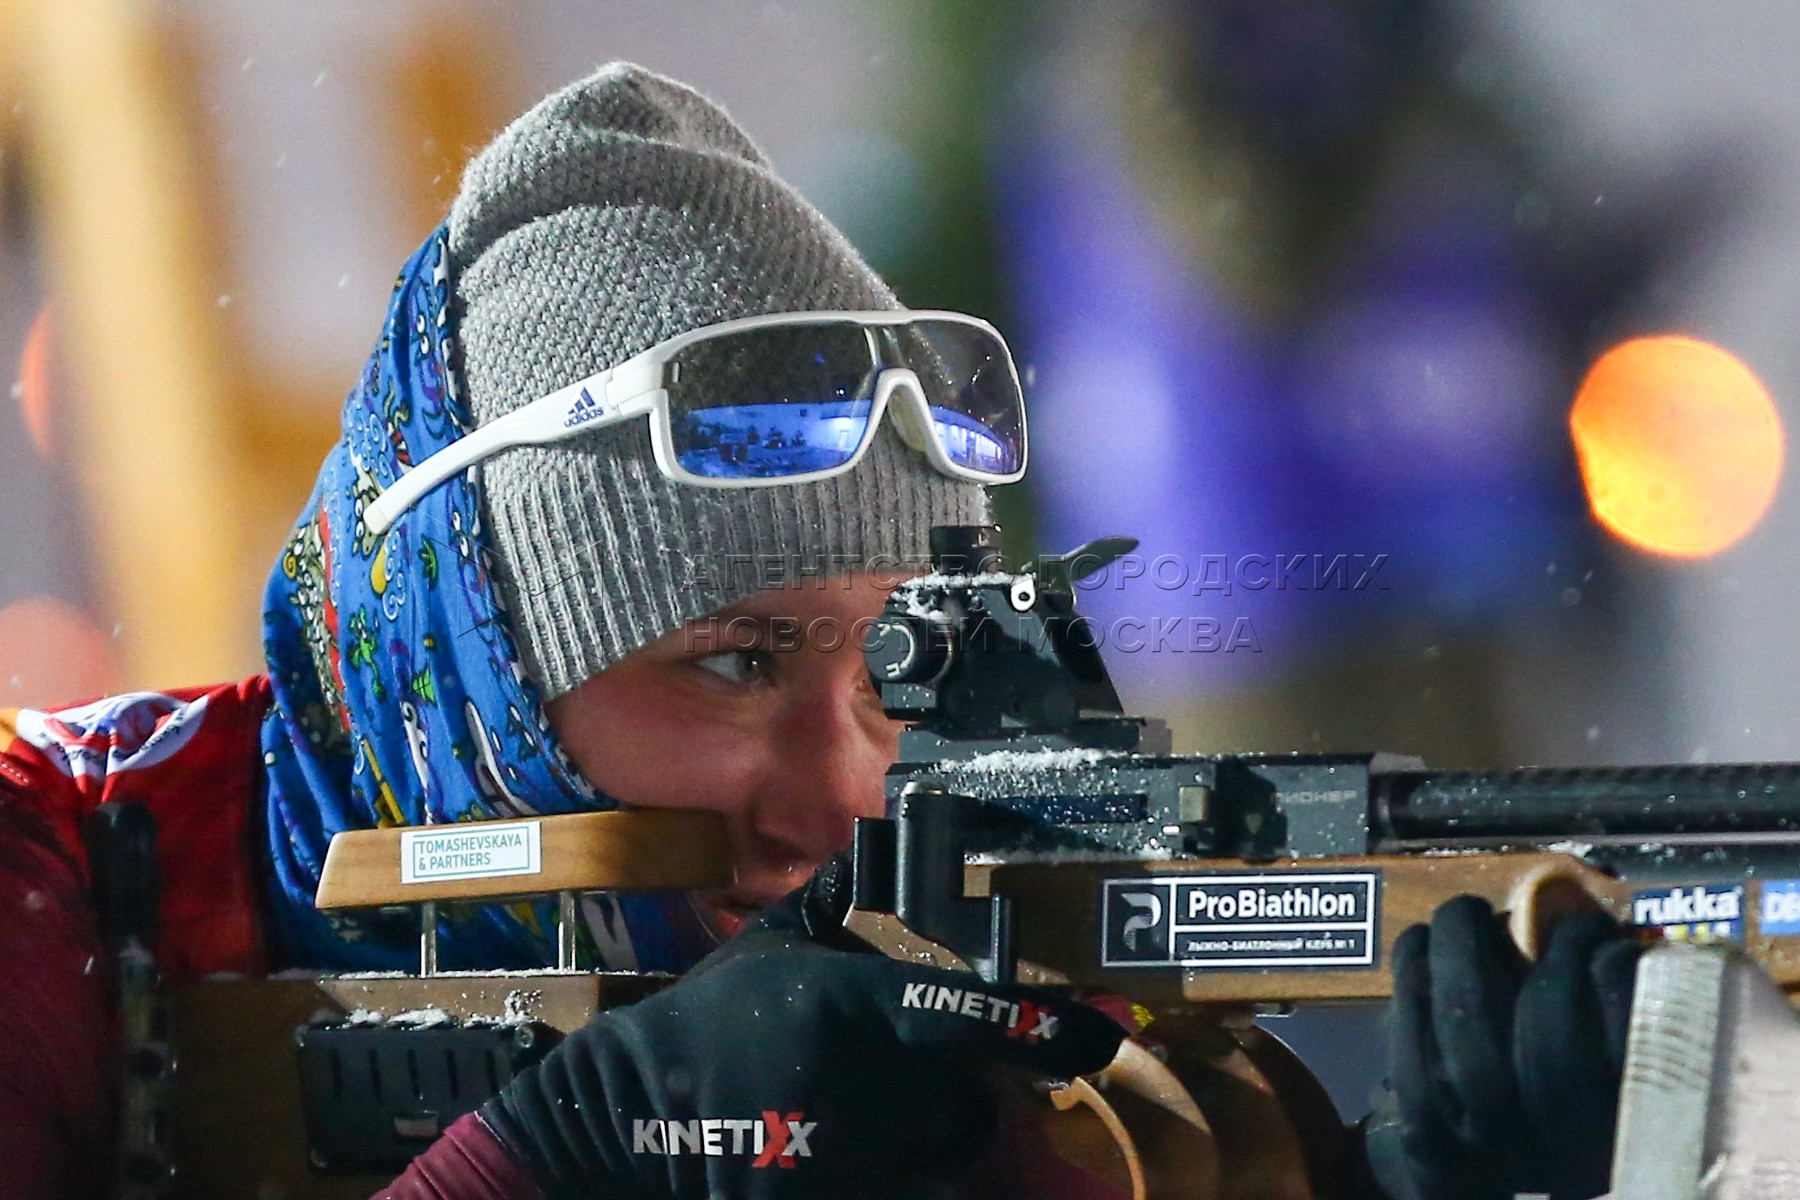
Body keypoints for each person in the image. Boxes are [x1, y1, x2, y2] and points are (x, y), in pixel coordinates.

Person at [0, 60, 1632, 1200]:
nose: (841, 794)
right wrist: (555, 1162)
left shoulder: (900, 1008)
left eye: (899, 664)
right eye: (734, 660)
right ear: (472, 679)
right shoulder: (54, 892)